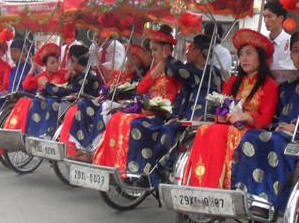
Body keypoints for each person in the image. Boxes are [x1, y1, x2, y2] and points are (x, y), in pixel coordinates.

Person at [231, 31, 299, 214]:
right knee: (251, 136)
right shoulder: (285, 87)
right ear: (291, 56)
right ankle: (244, 193)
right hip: (279, 133)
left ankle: (267, 201)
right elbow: (274, 117)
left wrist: (298, 127)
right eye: (296, 51)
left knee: (275, 142)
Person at [184, 28, 279, 189]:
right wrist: (219, 117)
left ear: (260, 57)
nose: (243, 58)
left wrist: (246, 117)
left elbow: (266, 117)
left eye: (249, 53)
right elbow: (221, 107)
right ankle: (198, 183)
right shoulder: (233, 81)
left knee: (215, 132)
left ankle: (212, 185)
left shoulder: (269, 85)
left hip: (249, 130)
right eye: (241, 54)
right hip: (227, 127)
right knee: (203, 131)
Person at [124, 34, 223, 186]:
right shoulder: (186, 70)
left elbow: (179, 72)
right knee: (139, 124)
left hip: (199, 116)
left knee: (167, 131)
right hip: (177, 114)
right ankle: (139, 170)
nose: (186, 53)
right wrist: (173, 114)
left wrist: (168, 58)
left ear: (198, 52)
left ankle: (156, 173)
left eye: (190, 49)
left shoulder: (208, 71)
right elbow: (177, 97)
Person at [93, 25, 181, 173]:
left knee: (130, 122)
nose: (152, 54)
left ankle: (133, 168)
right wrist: (156, 72)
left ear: (166, 49)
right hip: (148, 110)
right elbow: (140, 89)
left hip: (164, 114)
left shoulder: (176, 68)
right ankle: (111, 164)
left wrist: (167, 64)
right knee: (116, 118)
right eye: (151, 50)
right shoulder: (155, 68)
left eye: (155, 50)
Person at [64, 44, 148, 159]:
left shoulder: (138, 79)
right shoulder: (117, 75)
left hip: (122, 105)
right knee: (83, 104)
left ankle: (94, 150)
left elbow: (136, 97)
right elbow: (105, 90)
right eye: (129, 59)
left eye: (134, 61)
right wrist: (100, 97)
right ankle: (81, 147)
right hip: (107, 102)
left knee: (105, 106)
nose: (130, 63)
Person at [2, 42, 68, 134]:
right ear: (45, 65)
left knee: (49, 102)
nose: (56, 65)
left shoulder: (62, 74)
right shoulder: (40, 76)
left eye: (57, 62)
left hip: (56, 103)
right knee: (32, 102)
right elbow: (26, 85)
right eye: (52, 63)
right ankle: (30, 132)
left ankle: (48, 133)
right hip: (41, 101)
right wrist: (33, 67)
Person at [263, 0, 294, 70]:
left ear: (281, 18)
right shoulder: (262, 42)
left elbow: (288, 69)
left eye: (269, 16)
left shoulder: (290, 42)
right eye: (264, 17)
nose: (265, 21)